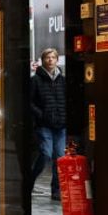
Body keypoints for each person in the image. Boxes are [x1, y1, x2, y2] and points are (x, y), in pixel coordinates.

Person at [29, 47, 66, 200]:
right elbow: (30, 102)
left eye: (53, 57)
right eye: (47, 58)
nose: (50, 60)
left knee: (60, 157)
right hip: (44, 125)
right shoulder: (36, 80)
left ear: (57, 60)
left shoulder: (62, 80)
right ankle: (30, 181)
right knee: (45, 154)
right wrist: (41, 115)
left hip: (60, 124)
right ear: (42, 60)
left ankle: (56, 190)